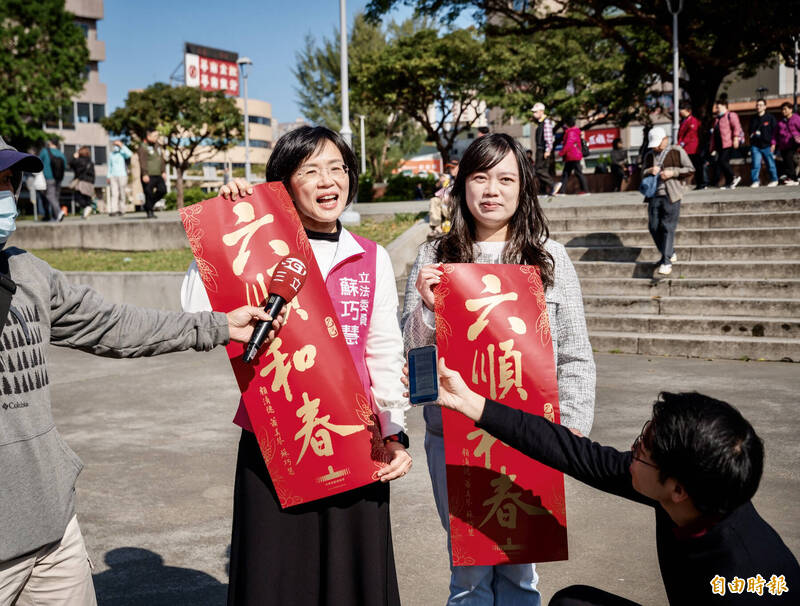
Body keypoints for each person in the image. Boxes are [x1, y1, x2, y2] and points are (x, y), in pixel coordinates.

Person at [0, 136, 281, 606]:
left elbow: (112, 324)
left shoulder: (29, 272)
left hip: (53, 529)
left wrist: (217, 326)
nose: (6, 196)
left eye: (8, 181)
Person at [181, 125, 411, 606]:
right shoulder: (256, 249)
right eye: (311, 170)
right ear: (283, 183)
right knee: (278, 575)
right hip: (276, 438)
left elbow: (385, 352)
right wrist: (223, 223)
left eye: (338, 168)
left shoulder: (371, 257)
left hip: (355, 439)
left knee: (353, 576)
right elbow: (194, 308)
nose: (329, 182)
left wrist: (394, 433)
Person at [402, 133, 595, 606]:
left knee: (519, 569)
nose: (492, 189)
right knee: (467, 569)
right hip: (453, 437)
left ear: (523, 187)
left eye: (506, 178)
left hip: (528, 435)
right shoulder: (434, 257)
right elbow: (413, 362)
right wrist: (428, 311)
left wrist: (566, 435)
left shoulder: (548, 259)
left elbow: (574, 355)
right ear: (462, 186)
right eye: (480, 177)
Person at [425, 363, 800, 606]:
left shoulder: (754, 579)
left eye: (643, 449)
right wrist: (472, 403)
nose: (632, 450)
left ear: (679, 489)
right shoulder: (688, 492)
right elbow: (571, 451)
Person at [641, 127, 694, 276]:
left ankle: (666, 261)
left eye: (658, 143)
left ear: (665, 139)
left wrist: (673, 173)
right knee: (653, 227)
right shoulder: (649, 155)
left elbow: (690, 169)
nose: (656, 147)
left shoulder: (677, 151)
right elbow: (642, 173)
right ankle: (669, 252)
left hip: (672, 195)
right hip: (653, 196)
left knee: (667, 227)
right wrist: (649, 171)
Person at [710, 99, 744, 189]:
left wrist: (736, 138)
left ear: (725, 106)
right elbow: (714, 134)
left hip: (727, 143)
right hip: (719, 145)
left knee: (723, 161)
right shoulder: (718, 119)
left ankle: (734, 177)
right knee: (721, 163)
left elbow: (736, 126)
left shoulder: (731, 115)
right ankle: (729, 182)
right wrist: (712, 147)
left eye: (718, 107)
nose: (717, 109)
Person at [137, 129, 167, 219]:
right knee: (148, 193)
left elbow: (161, 159)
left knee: (163, 190)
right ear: (148, 136)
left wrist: (163, 171)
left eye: (157, 136)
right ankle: (149, 211)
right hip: (148, 174)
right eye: (154, 136)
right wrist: (144, 174)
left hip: (158, 174)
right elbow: (142, 161)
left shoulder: (157, 146)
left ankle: (148, 205)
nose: (156, 138)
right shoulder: (143, 147)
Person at [557, 117, 590, 195]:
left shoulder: (571, 132)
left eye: (565, 123)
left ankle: (585, 190)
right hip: (572, 156)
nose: (564, 125)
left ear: (567, 124)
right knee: (566, 173)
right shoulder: (572, 131)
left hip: (572, 156)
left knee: (576, 173)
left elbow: (569, 144)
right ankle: (562, 191)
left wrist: (561, 153)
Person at [677, 101, 705, 189]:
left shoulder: (693, 121)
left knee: (696, 165)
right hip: (685, 147)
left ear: (688, 111)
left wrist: (681, 143)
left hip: (692, 148)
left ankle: (701, 183)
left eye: (682, 109)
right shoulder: (683, 121)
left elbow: (690, 134)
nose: (680, 111)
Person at [531, 102, 556, 196]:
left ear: (541, 111)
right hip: (541, 149)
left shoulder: (546, 121)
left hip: (543, 149)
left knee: (538, 169)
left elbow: (549, 137)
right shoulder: (541, 122)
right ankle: (543, 191)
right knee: (543, 170)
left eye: (535, 112)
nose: (534, 114)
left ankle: (553, 185)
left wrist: (548, 150)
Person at [38, 138, 66, 221]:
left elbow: (39, 162)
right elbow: (64, 166)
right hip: (59, 178)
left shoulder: (44, 151)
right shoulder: (61, 153)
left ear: (50, 143)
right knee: (55, 197)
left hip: (48, 177)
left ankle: (59, 212)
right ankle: (56, 216)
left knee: (50, 196)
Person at [430, 160, 459, 235]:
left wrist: (451, 198)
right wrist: (439, 184)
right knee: (434, 200)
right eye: (449, 168)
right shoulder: (449, 180)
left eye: (453, 167)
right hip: (447, 208)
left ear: (459, 167)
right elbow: (435, 193)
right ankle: (437, 227)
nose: (451, 169)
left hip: (458, 209)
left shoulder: (463, 179)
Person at [776, 102, 800, 186]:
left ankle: (794, 178)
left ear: (791, 109)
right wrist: (773, 144)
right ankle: (791, 177)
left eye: (785, 109)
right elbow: (775, 135)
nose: (783, 111)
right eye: (782, 109)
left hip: (794, 145)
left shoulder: (796, 119)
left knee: (790, 159)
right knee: (786, 162)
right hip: (783, 146)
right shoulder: (780, 122)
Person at [68, 146, 95, 219]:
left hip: (81, 181)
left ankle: (87, 208)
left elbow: (70, 164)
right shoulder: (90, 162)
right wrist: (92, 182)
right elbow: (93, 173)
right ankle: (86, 212)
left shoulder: (78, 161)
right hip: (90, 182)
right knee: (87, 198)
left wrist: (74, 157)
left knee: (79, 197)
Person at [108, 139, 133, 216]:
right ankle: (114, 210)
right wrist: (108, 176)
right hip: (113, 176)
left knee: (122, 193)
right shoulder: (111, 154)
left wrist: (121, 145)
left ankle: (122, 210)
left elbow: (130, 154)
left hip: (122, 175)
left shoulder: (123, 153)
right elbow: (110, 166)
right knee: (114, 193)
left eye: (117, 145)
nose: (116, 147)